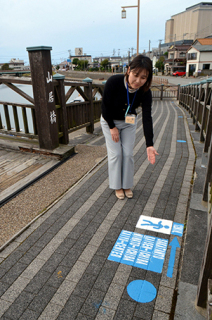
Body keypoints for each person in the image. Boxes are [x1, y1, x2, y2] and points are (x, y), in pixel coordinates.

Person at [100, 55, 158, 200]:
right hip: (110, 121)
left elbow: (147, 117)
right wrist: (112, 127)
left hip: (129, 123)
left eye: (143, 77)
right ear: (128, 70)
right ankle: (116, 186)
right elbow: (104, 106)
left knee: (128, 154)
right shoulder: (114, 82)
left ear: (148, 78)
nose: (138, 81)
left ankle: (126, 185)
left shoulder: (145, 92)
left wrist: (149, 144)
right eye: (135, 75)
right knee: (116, 154)